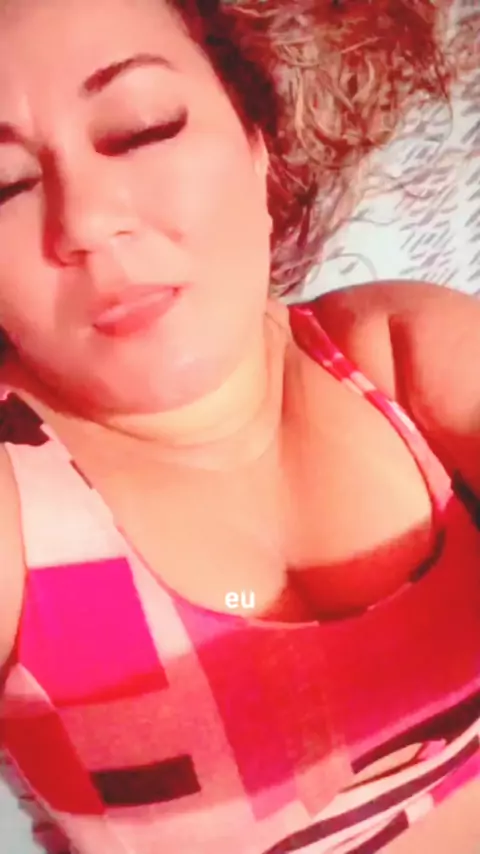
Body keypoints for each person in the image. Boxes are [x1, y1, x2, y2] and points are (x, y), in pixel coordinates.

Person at [0, 0, 479, 851]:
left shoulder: (399, 356)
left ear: (258, 135)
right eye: (4, 186)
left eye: (142, 129)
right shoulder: (17, 502)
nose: (86, 223)